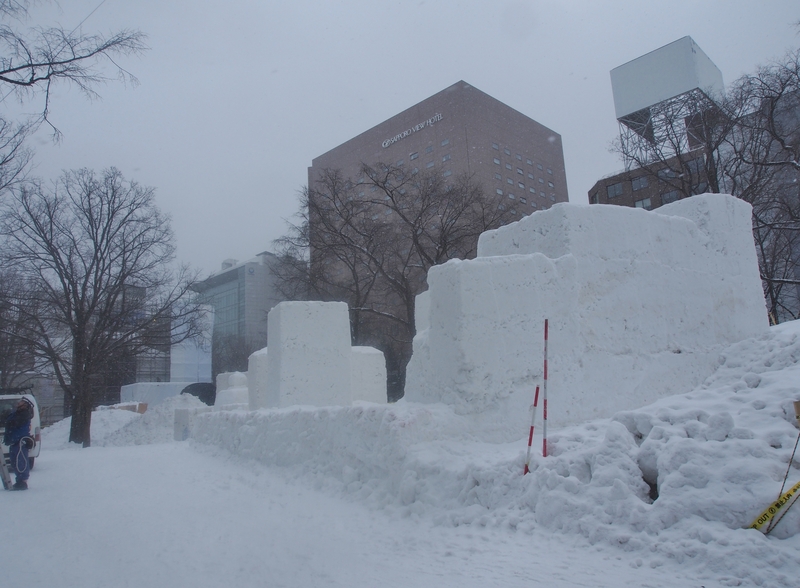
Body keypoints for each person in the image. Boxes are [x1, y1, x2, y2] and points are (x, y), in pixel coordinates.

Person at [3, 397, 33, 491]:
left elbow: (14, 423)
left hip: (20, 441)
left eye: (21, 402)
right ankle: (19, 480)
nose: (18, 403)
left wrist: (8, 422)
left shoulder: (24, 414)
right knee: (14, 461)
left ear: (25, 405)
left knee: (21, 461)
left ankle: (23, 481)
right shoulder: (16, 413)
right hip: (14, 441)